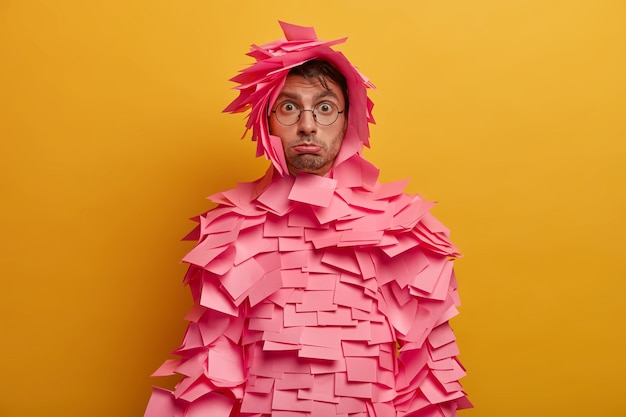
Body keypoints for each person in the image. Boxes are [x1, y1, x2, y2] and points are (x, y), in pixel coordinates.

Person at [144, 21, 471, 417]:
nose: (308, 124)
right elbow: (212, 372)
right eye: (288, 107)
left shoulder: (403, 227)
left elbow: (431, 378)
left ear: (349, 121)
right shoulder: (229, 230)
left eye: (325, 107)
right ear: (266, 122)